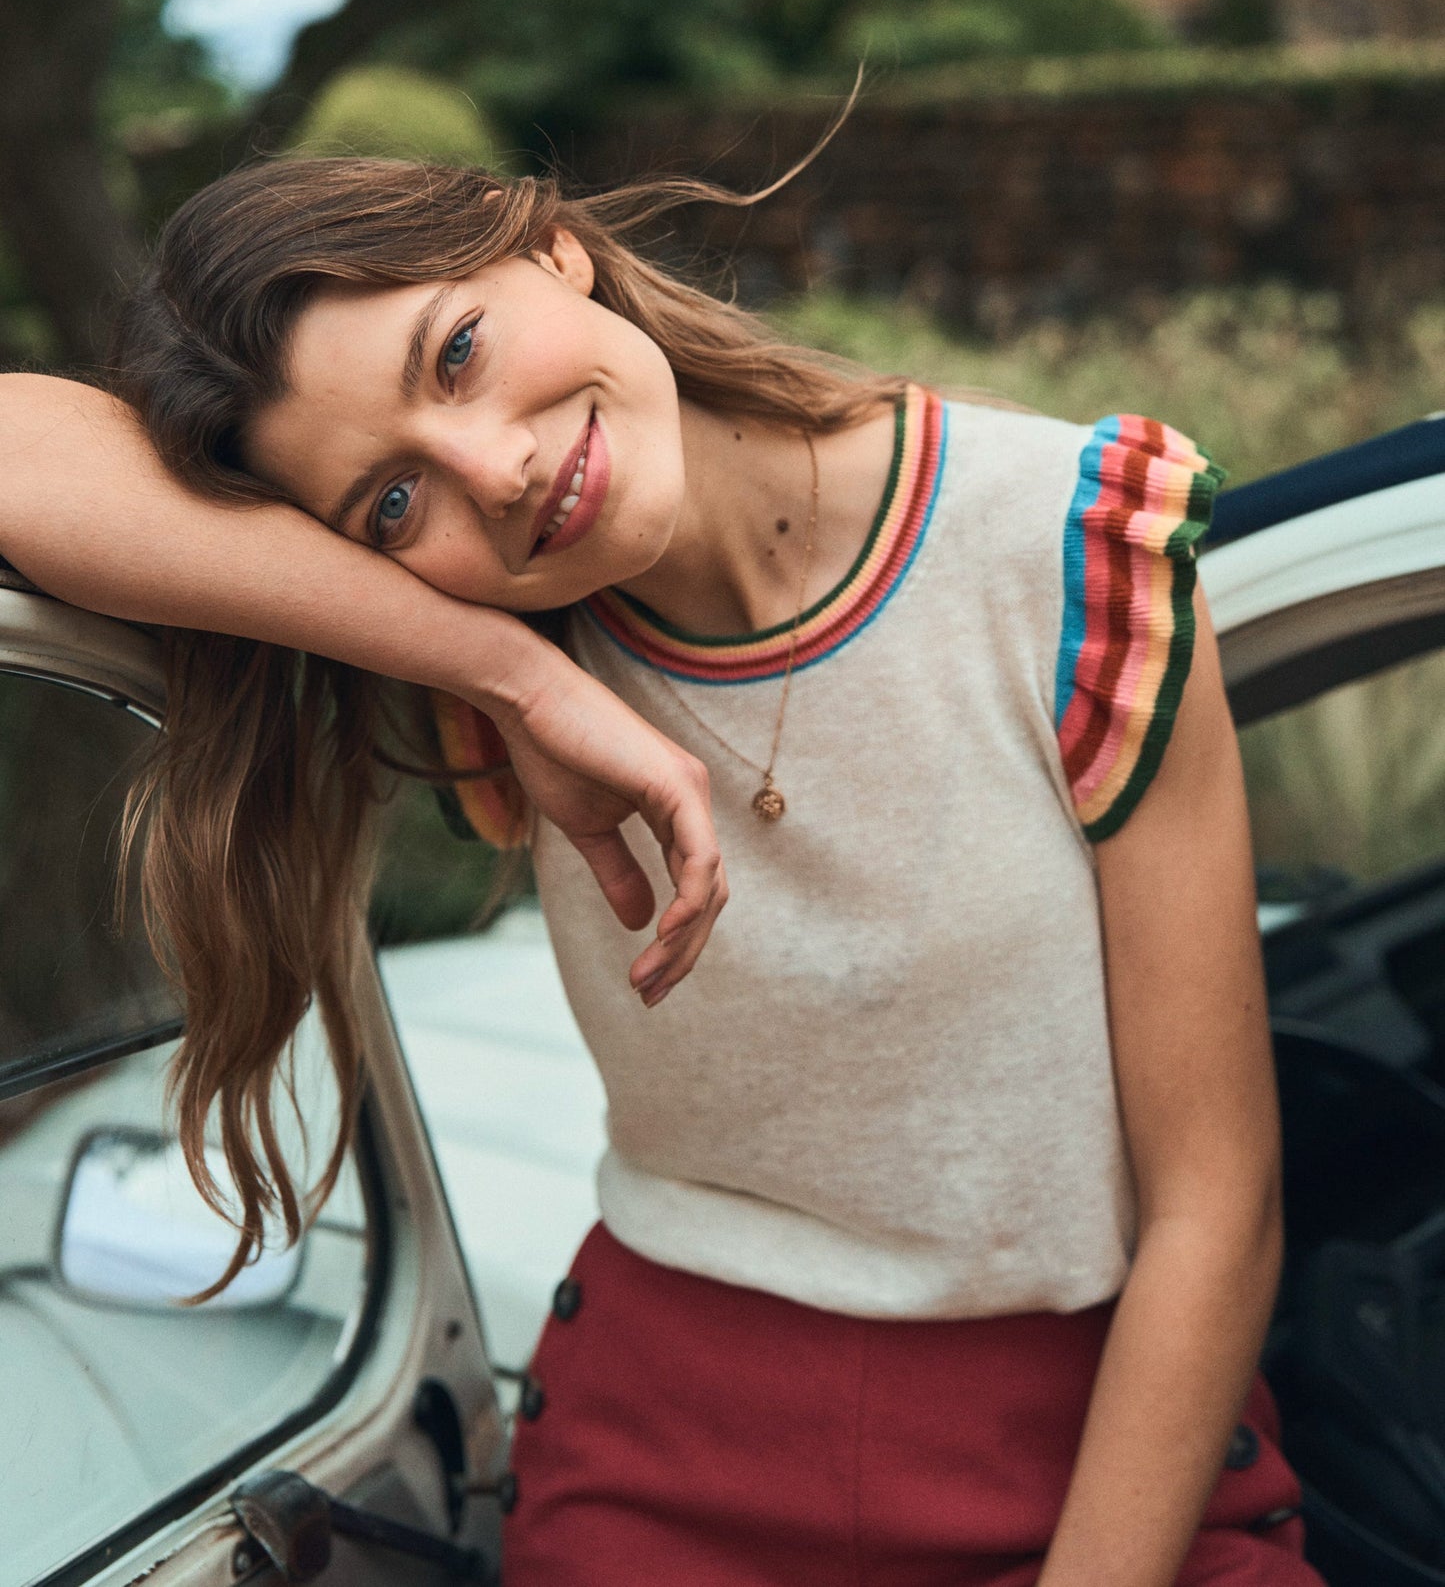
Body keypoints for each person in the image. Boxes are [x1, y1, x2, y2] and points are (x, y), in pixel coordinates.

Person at [30, 150, 1317, 1585]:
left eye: (457, 353)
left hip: (1092, 1464)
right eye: (390, 503)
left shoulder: (1066, 549)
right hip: (661, 1471)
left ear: (548, 245)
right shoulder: (478, 654)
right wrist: (511, 676)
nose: (496, 474)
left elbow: (1216, 1207)